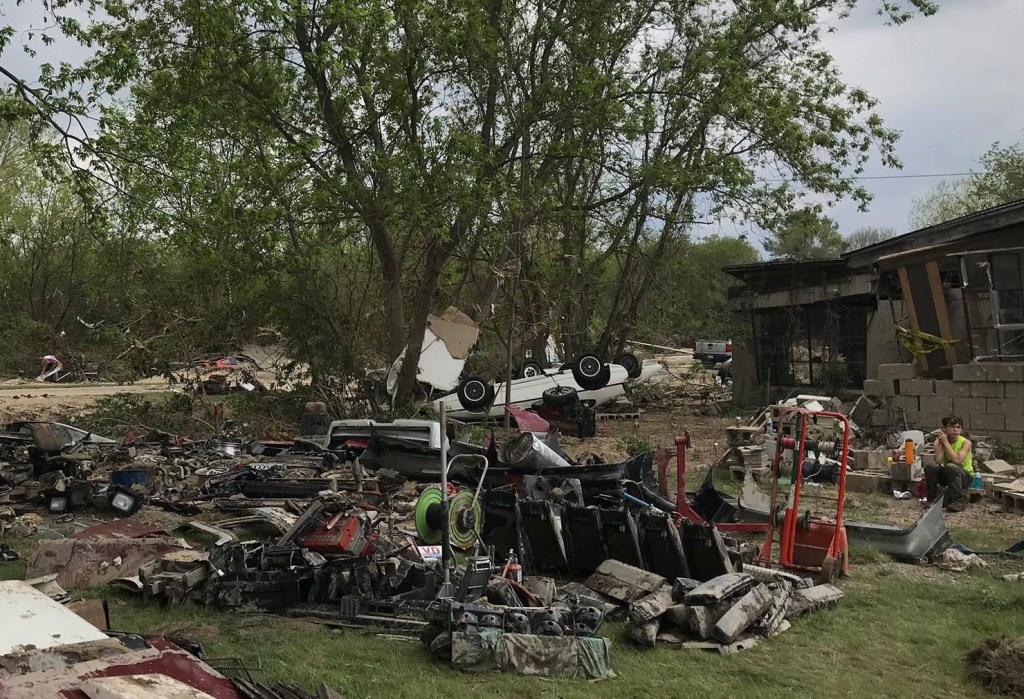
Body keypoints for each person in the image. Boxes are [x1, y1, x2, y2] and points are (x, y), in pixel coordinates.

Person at [925, 414, 973, 512]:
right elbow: (938, 460)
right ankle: (932, 498)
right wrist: (941, 443)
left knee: (951, 466)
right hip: (949, 474)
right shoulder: (940, 441)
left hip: (965, 476)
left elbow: (957, 461)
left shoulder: (965, 443)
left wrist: (946, 443)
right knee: (930, 468)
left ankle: (959, 500)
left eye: (958, 427)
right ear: (944, 429)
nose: (955, 430)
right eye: (951, 427)